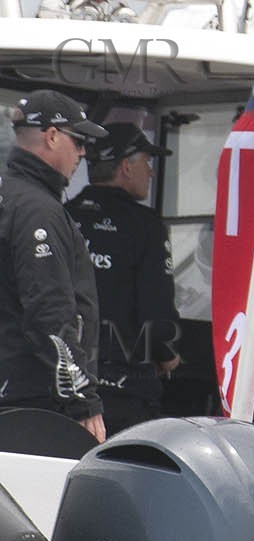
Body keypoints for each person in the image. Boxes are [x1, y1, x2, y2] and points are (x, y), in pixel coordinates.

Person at [0, 91, 107, 442]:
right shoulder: (36, 210)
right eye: (78, 141)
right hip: (29, 402)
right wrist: (81, 400)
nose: (82, 152)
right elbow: (48, 311)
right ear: (52, 136)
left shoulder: (13, 196)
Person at [66, 122, 180, 435]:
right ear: (126, 167)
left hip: (63, 383)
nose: (152, 172)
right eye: (148, 162)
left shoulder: (62, 216)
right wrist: (168, 356)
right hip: (124, 388)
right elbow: (154, 313)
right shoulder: (144, 226)